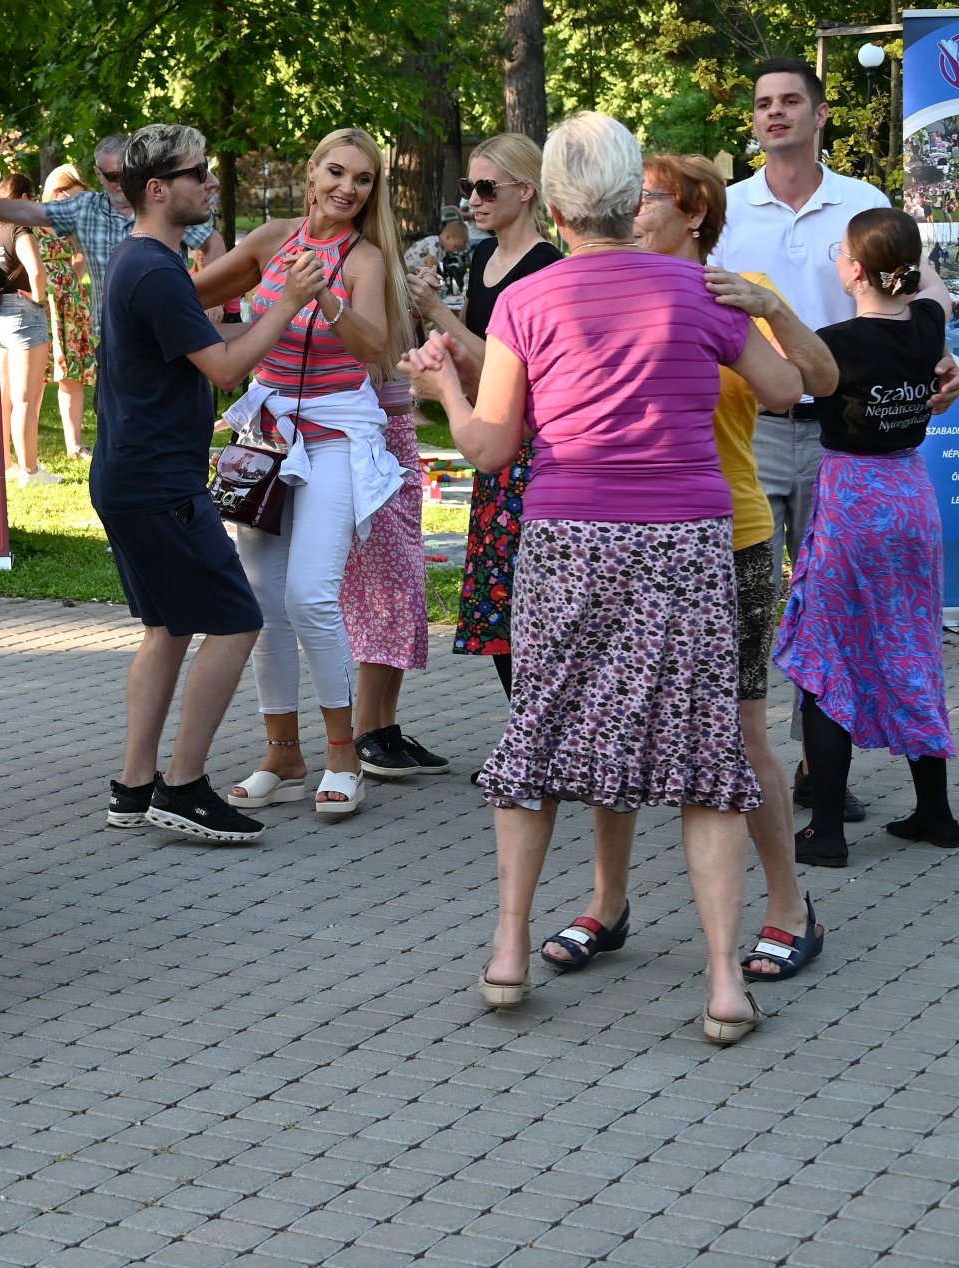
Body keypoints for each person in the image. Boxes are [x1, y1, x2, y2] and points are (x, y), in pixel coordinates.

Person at [407, 111, 805, 1046]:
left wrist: (446, 391)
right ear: (633, 202)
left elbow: (494, 446)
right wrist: (759, 305)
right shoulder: (696, 288)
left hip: (569, 539)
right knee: (710, 753)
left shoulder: (527, 302)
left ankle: (508, 951)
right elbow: (788, 393)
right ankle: (721, 983)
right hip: (686, 542)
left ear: (553, 203)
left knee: (539, 730)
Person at [545, 154, 838, 984]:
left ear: (694, 213)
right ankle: (608, 901)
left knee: (740, 731)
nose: (629, 210)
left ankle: (788, 906)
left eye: (646, 199)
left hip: (730, 539)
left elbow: (813, 384)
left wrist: (774, 305)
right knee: (614, 722)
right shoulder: (595, 284)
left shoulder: (726, 289)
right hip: (623, 543)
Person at [711, 57, 957, 820]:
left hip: (846, 443)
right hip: (751, 428)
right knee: (744, 598)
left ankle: (822, 779)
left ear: (820, 114)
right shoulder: (726, 209)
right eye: (763, 104)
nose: (775, 113)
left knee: (831, 616)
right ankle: (737, 757)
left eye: (791, 101)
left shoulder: (866, 200)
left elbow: (925, 286)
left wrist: (945, 349)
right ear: (753, 120)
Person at [89, 123, 325, 841]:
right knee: (237, 618)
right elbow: (225, 368)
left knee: (168, 626)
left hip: (134, 474)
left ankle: (134, 786)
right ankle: (183, 785)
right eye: (199, 175)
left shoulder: (146, 263)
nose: (212, 184)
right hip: (157, 483)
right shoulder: (156, 270)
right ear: (157, 190)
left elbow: (205, 342)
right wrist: (288, 302)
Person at [188, 128, 414, 816]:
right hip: (268, 434)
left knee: (313, 595)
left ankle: (342, 752)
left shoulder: (367, 257)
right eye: (337, 173)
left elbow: (377, 350)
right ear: (312, 173)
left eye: (364, 179)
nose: (348, 188)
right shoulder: (270, 239)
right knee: (262, 601)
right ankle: (282, 753)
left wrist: (325, 298)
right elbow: (190, 299)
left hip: (339, 433)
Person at [776, 209, 958, 869]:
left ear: (854, 269)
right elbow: (933, 289)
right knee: (912, 648)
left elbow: (777, 392)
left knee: (830, 659)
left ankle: (826, 828)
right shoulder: (928, 327)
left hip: (852, 504)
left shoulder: (832, 343)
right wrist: (909, 259)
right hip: (911, 500)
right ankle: (935, 812)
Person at [408, 134, 562, 701]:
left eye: (485, 186)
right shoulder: (481, 256)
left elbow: (503, 360)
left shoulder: (545, 264)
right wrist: (433, 345)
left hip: (532, 451)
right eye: (467, 186)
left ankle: (540, 741)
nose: (472, 198)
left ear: (525, 190)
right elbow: (473, 355)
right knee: (499, 609)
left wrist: (439, 316)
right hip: (492, 441)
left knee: (531, 605)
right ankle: (525, 737)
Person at [0, 133, 224, 333]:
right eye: (113, 176)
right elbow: (25, 211)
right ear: (99, 174)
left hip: (168, 331)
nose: (122, 182)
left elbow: (213, 242)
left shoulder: (163, 202)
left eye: (128, 173)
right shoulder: (83, 208)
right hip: (111, 338)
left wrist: (214, 299)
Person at [0, 173, 58, 486]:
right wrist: (39, 296)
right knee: (26, 399)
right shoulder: (21, 229)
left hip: (1, 313)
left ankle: (6, 464)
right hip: (25, 313)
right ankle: (30, 471)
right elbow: (36, 271)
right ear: (22, 197)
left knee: (5, 397)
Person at [39, 164, 95, 459]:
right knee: (33, 377)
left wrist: (70, 279)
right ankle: (28, 450)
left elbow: (81, 258)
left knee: (72, 375)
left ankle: (74, 444)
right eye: (73, 198)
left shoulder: (69, 224)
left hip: (69, 304)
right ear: (58, 192)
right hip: (38, 302)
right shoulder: (31, 221)